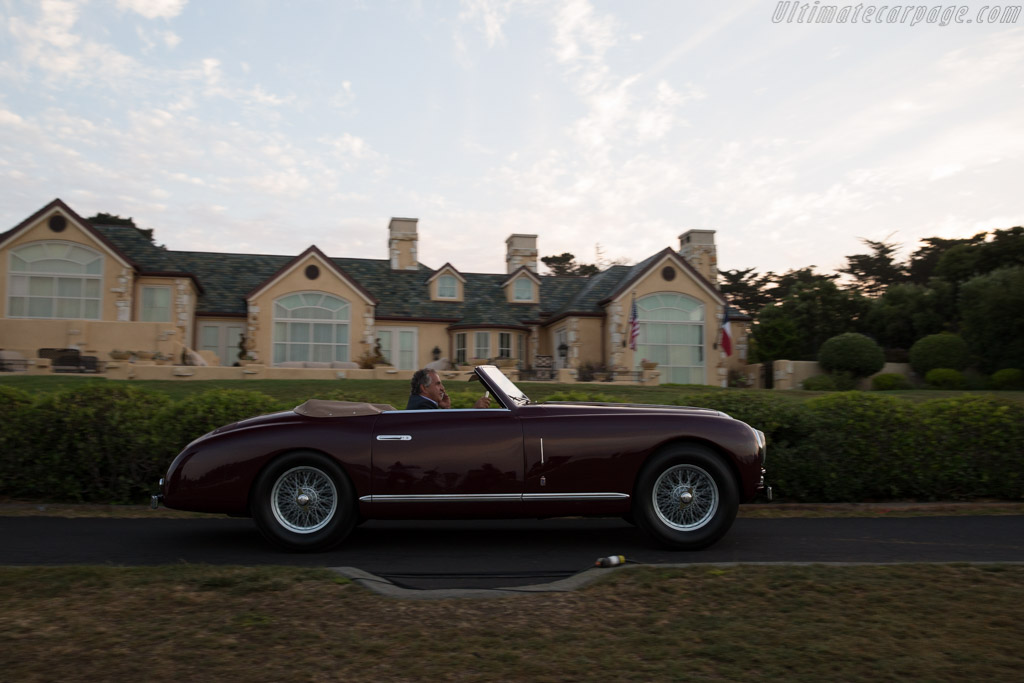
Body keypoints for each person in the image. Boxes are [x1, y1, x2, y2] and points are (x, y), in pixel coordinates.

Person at [406, 368, 491, 410]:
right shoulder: (423, 407)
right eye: (438, 384)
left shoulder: (419, 403)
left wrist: (447, 409)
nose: (443, 388)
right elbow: (448, 432)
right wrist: (474, 411)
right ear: (424, 388)